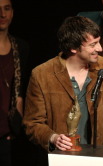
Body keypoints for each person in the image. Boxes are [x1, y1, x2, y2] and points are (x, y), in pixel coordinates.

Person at [23, 16, 103, 166]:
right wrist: (53, 138)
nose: (100, 48)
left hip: (99, 157)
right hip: (63, 159)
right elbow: (32, 123)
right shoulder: (42, 75)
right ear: (73, 48)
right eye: (93, 44)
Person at [0, 0, 30, 165]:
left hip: (6, 134)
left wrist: (17, 125)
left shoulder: (20, 47)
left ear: (12, 12)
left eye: (7, 8)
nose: (2, 14)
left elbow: (20, 90)